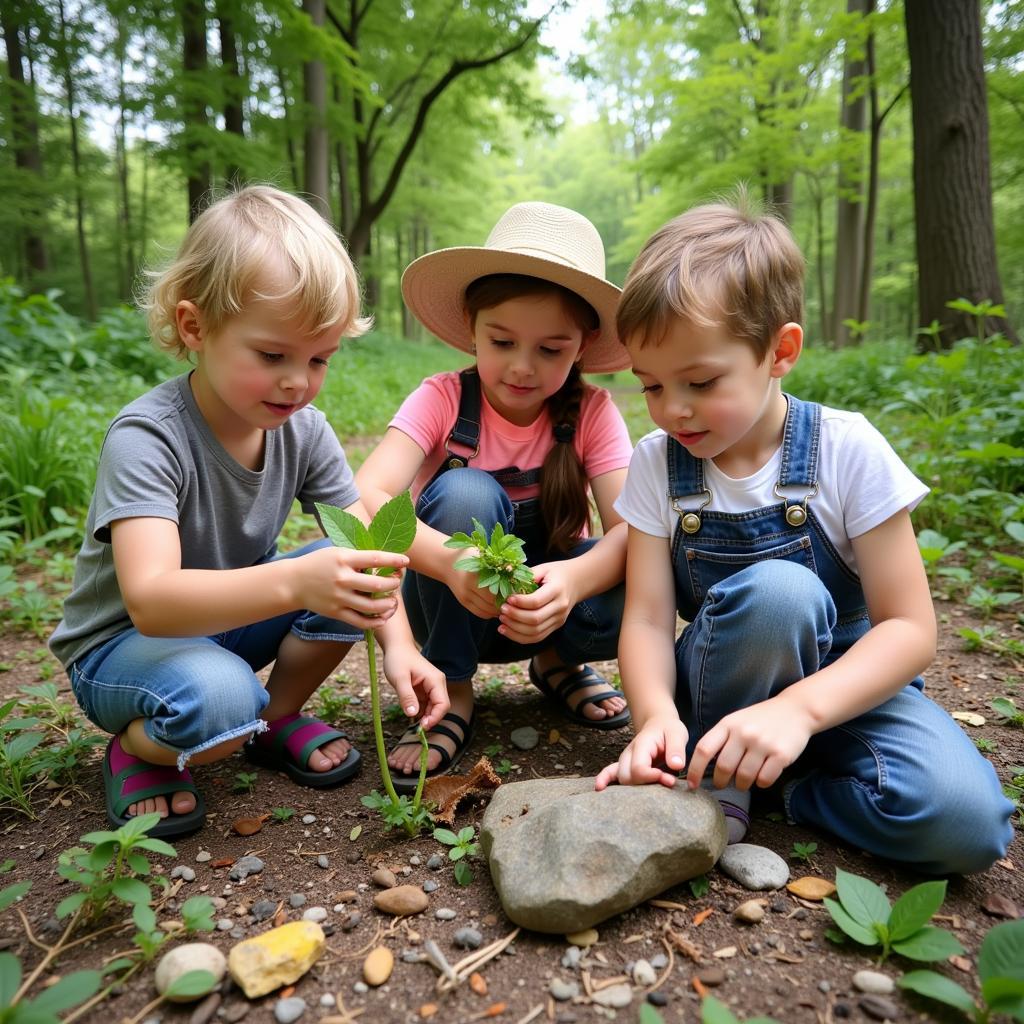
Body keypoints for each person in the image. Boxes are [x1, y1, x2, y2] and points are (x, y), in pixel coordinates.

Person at [595, 197, 1015, 874]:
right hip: (720, 681)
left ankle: (785, 787)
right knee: (781, 595)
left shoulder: (845, 451)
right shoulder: (656, 463)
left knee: (966, 824)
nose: (672, 408)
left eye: (700, 381)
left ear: (779, 351)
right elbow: (645, 618)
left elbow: (909, 627)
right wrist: (651, 718)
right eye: (649, 386)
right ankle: (714, 766)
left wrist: (799, 711)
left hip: (844, 686)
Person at [49, 185, 448, 838]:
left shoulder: (304, 430)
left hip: (223, 626)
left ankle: (273, 718)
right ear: (194, 326)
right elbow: (150, 600)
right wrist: (294, 582)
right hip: (123, 649)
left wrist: (402, 646)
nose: (298, 380)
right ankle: (139, 748)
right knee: (224, 697)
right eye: (273, 356)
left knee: (341, 564)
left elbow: (369, 551)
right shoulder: (148, 437)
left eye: (319, 358)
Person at [356, 202, 635, 791]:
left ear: (582, 344)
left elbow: (632, 529)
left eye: (551, 349)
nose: (522, 367)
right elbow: (369, 492)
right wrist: (452, 564)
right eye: (502, 341)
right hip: (455, 604)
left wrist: (575, 583)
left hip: (546, 606)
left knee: (640, 569)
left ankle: (558, 662)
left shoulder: (592, 413)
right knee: (464, 491)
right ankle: (452, 684)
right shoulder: (440, 400)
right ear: (472, 324)